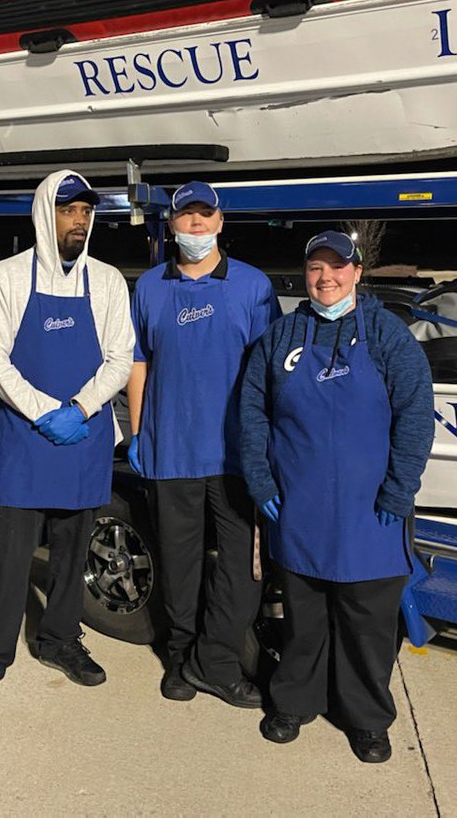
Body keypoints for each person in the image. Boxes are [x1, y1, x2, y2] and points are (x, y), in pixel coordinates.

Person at [239, 230, 434, 763]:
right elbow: (252, 412)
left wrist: (400, 488)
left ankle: (367, 718)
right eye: (316, 269)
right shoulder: (281, 338)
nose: (326, 278)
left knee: (366, 626)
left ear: (357, 273)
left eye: (337, 268)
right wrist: (260, 480)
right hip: (299, 510)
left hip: (371, 513)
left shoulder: (389, 337)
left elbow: (416, 415)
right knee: (303, 622)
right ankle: (293, 701)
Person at [0, 169, 134, 721]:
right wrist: (42, 412)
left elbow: (120, 358)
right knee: (7, 561)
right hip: (25, 440)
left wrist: (78, 409)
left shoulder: (106, 281)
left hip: (83, 436)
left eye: (85, 212)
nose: (78, 220)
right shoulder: (7, 277)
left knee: (72, 554)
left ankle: (59, 639)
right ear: (43, 213)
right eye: (67, 210)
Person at [125, 180, 279, 707]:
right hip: (170, 451)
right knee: (179, 565)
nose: (195, 224)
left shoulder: (253, 287)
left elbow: (268, 371)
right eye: (185, 216)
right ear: (170, 225)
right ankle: (180, 658)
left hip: (235, 455)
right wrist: (139, 430)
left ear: (220, 222)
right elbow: (139, 359)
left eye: (204, 216)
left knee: (241, 571)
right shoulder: (149, 287)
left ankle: (214, 661)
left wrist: (267, 444)